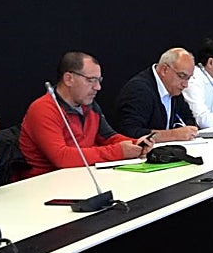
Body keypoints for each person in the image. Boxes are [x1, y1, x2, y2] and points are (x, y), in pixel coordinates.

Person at [18, 51, 149, 178]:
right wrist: (119, 151)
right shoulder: (43, 109)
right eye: (91, 80)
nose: (98, 87)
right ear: (69, 79)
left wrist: (136, 143)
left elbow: (109, 137)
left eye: (99, 80)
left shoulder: (90, 105)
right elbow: (61, 158)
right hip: (44, 185)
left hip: (82, 178)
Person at [115, 48, 200, 141]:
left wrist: (187, 130)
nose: (185, 84)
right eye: (182, 76)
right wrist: (173, 135)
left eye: (188, 78)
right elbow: (130, 132)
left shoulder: (174, 88)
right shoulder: (139, 90)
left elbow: (188, 118)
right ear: (164, 70)